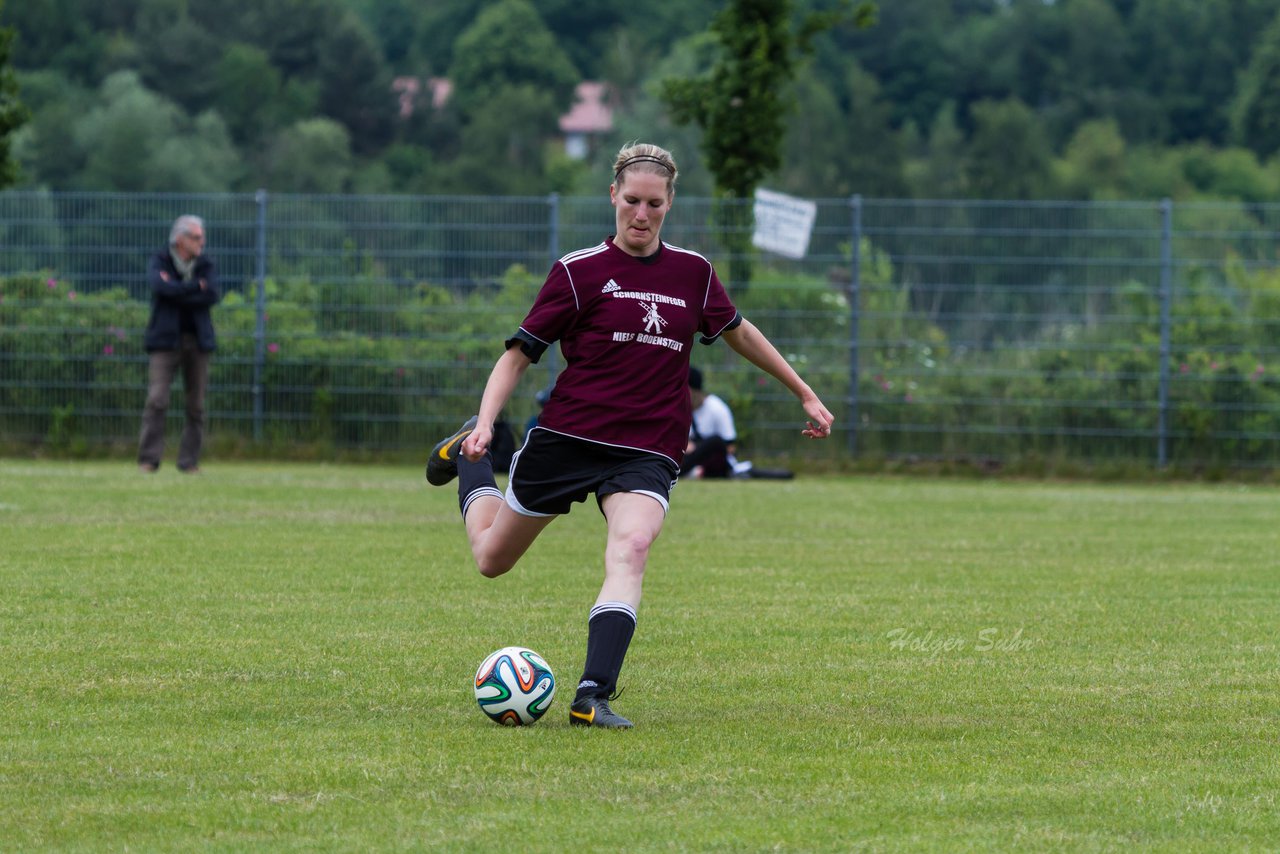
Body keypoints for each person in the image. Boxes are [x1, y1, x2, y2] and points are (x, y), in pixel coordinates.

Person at [424, 143, 834, 729]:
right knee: (491, 559)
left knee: (633, 547)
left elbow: (740, 333)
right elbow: (517, 356)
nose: (642, 215)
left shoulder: (693, 273)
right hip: (569, 437)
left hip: (647, 447)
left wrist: (804, 391)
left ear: (669, 205)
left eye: (655, 205)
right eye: (633, 201)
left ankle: (592, 695)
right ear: (614, 196)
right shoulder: (577, 271)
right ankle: (464, 458)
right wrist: (487, 423)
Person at [137, 214, 220, 474]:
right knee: (157, 399)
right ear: (180, 239)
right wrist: (195, 287)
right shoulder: (160, 259)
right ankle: (149, 460)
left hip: (198, 341)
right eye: (196, 237)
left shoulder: (206, 263)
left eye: (202, 237)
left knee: (196, 405)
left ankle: (189, 461)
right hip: (164, 341)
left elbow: (212, 294)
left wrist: (179, 289)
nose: (202, 242)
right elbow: (160, 289)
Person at [681, 366, 740, 479]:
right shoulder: (680, 408)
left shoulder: (717, 408)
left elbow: (730, 447)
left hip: (714, 463)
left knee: (715, 441)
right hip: (688, 459)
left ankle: (687, 471)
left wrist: (697, 447)